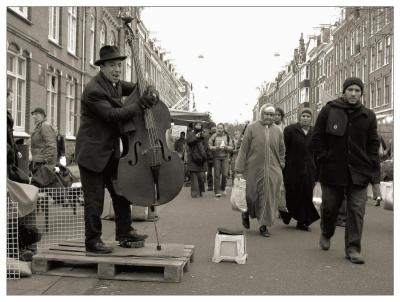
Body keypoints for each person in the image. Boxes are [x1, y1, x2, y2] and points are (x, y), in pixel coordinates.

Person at [75, 45, 159, 254]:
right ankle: (92, 241)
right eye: (112, 65)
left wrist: (150, 89)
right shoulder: (93, 91)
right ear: (102, 67)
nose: (117, 69)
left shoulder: (116, 85)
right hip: (92, 155)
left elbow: (138, 89)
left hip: (111, 153)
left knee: (122, 193)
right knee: (94, 201)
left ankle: (125, 232)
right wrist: (140, 104)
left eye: (119, 65)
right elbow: (113, 115)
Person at [312, 77, 380, 264]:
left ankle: (353, 248)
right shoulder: (329, 110)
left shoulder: (368, 115)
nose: (353, 93)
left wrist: (374, 175)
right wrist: (323, 157)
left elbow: (373, 145)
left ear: (361, 94)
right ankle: (327, 231)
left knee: (356, 211)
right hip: (333, 170)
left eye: (357, 91)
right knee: (330, 208)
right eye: (350, 90)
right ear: (344, 91)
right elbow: (317, 138)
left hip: (359, 171)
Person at [235, 104, 285, 237]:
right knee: (250, 196)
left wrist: (282, 163)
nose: (269, 117)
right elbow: (244, 149)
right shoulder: (252, 128)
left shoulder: (278, 131)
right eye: (266, 114)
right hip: (253, 168)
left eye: (271, 114)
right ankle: (245, 212)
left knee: (268, 198)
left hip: (273, 170)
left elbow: (282, 150)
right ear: (262, 114)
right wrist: (239, 169)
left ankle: (264, 225)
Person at [283, 107, 320, 231]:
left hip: (309, 169)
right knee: (293, 193)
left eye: (308, 116)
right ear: (299, 117)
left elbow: (317, 153)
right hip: (292, 168)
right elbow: (284, 150)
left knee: (306, 194)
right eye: (303, 116)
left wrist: (317, 172)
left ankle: (302, 221)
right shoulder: (290, 130)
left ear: (311, 118)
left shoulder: (315, 132)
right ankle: (287, 212)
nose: (305, 118)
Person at [208, 123, 233, 197]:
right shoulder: (213, 136)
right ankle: (217, 191)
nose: (219, 129)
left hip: (225, 157)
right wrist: (216, 147)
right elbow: (209, 146)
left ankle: (223, 187)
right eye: (218, 128)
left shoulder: (227, 137)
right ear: (216, 129)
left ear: (223, 129)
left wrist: (226, 147)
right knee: (217, 174)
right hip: (216, 157)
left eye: (221, 128)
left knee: (225, 174)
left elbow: (232, 147)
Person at [30, 107, 57, 172]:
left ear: (42, 115)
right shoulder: (38, 127)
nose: (34, 117)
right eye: (33, 115)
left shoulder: (45, 126)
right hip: (38, 161)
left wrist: (46, 161)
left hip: (43, 163)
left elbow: (51, 145)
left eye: (36, 114)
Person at [186, 122, 208, 198]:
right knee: (193, 175)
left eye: (200, 125)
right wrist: (196, 137)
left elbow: (206, 144)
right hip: (192, 156)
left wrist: (205, 154)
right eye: (197, 125)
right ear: (194, 126)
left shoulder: (204, 134)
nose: (198, 126)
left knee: (200, 176)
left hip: (201, 157)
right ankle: (195, 193)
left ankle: (201, 191)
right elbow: (189, 142)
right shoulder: (190, 133)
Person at [7, 89, 23, 180]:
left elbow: (10, 136)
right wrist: (10, 149)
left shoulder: (7, 114)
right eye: (11, 98)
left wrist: (16, 150)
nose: (12, 100)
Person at [205, 122, 216, 191]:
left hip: (216, 156)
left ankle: (217, 185)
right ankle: (210, 185)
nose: (214, 128)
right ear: (210, 128)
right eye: (213, 127)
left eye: (215, 127)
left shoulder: (218, 135)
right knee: (209, 173)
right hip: (208, 156)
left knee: (217, 172)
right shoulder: (206, 136)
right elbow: (205, 146)